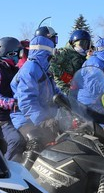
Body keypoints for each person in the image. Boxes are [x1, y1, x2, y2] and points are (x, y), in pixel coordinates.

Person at [10, 26, 62, 168]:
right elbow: (26, 100)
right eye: (55, 39)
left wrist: (71, 105)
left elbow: (56, 92)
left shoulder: (43, 67)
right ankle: (23, 176)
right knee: (37, 141)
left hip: (43, 116)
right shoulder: (30, 68)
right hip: (24, 117)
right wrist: (43, 120)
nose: (56, 43)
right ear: (48, 41)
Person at [49, 29, 91, 94]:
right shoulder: (64, 53)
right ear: (73, 43)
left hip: (78, 92)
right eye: (82, 44)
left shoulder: (83, 58)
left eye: (87, 45)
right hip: (62, 91)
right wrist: (66, 82)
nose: (84, 47)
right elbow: (52, 68)